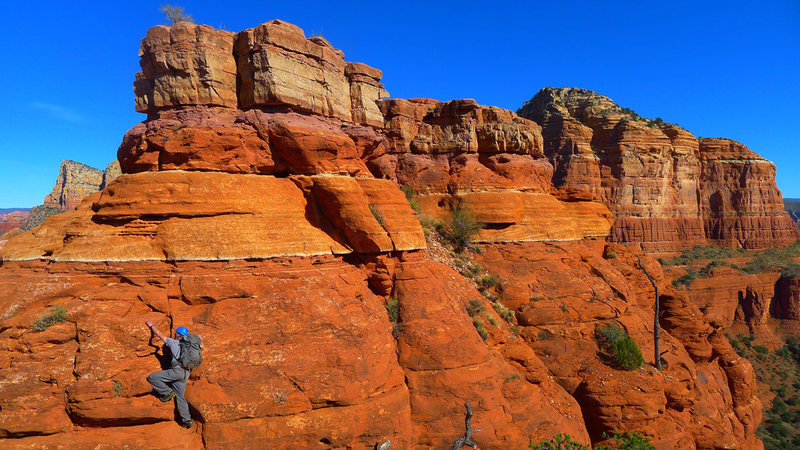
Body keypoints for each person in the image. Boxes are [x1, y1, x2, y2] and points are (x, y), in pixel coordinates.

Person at [145, 321, 194, 428]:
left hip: (176, 371)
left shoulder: (173, 342)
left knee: (152, 377)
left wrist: (152, 325)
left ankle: (167, 393)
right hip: (186, 373)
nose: (175, 335)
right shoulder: (191, 346)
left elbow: (160, 335)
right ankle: (187, 420)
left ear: (179, 335)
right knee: (181, 397)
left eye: (177, 333)